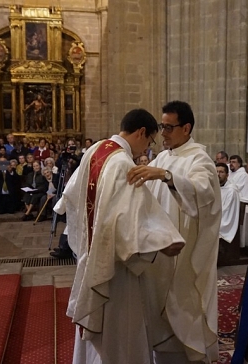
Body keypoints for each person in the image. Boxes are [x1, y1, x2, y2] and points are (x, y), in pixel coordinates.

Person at [53, 108, 185, 364]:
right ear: (141, 132)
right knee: (121, 327)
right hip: (115, 266)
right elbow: (129, 220)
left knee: (98, 323)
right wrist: (164, 241)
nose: (145, 150)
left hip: (93, 252)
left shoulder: (97, 149)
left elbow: (70, 195)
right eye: (148, 142)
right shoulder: (123, 163)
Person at [127, 100, 221, 363]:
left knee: (183, 306)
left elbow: (203, 193)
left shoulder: (199, 158)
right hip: (159, 247)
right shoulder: (165, 157)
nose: (163, 133)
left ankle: (191, 354)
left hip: (185, 250)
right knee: (157, 308)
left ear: (186, 127)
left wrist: (167, 177)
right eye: (162, 126)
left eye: (168, 127)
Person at [216, 162, 240, 245]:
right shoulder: (215, 188)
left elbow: (226, 212)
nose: (218, 174)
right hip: (215, 219)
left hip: (224, 223)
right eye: (216, 172)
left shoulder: (231, 191)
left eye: (221, 172)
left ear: (227, 175)